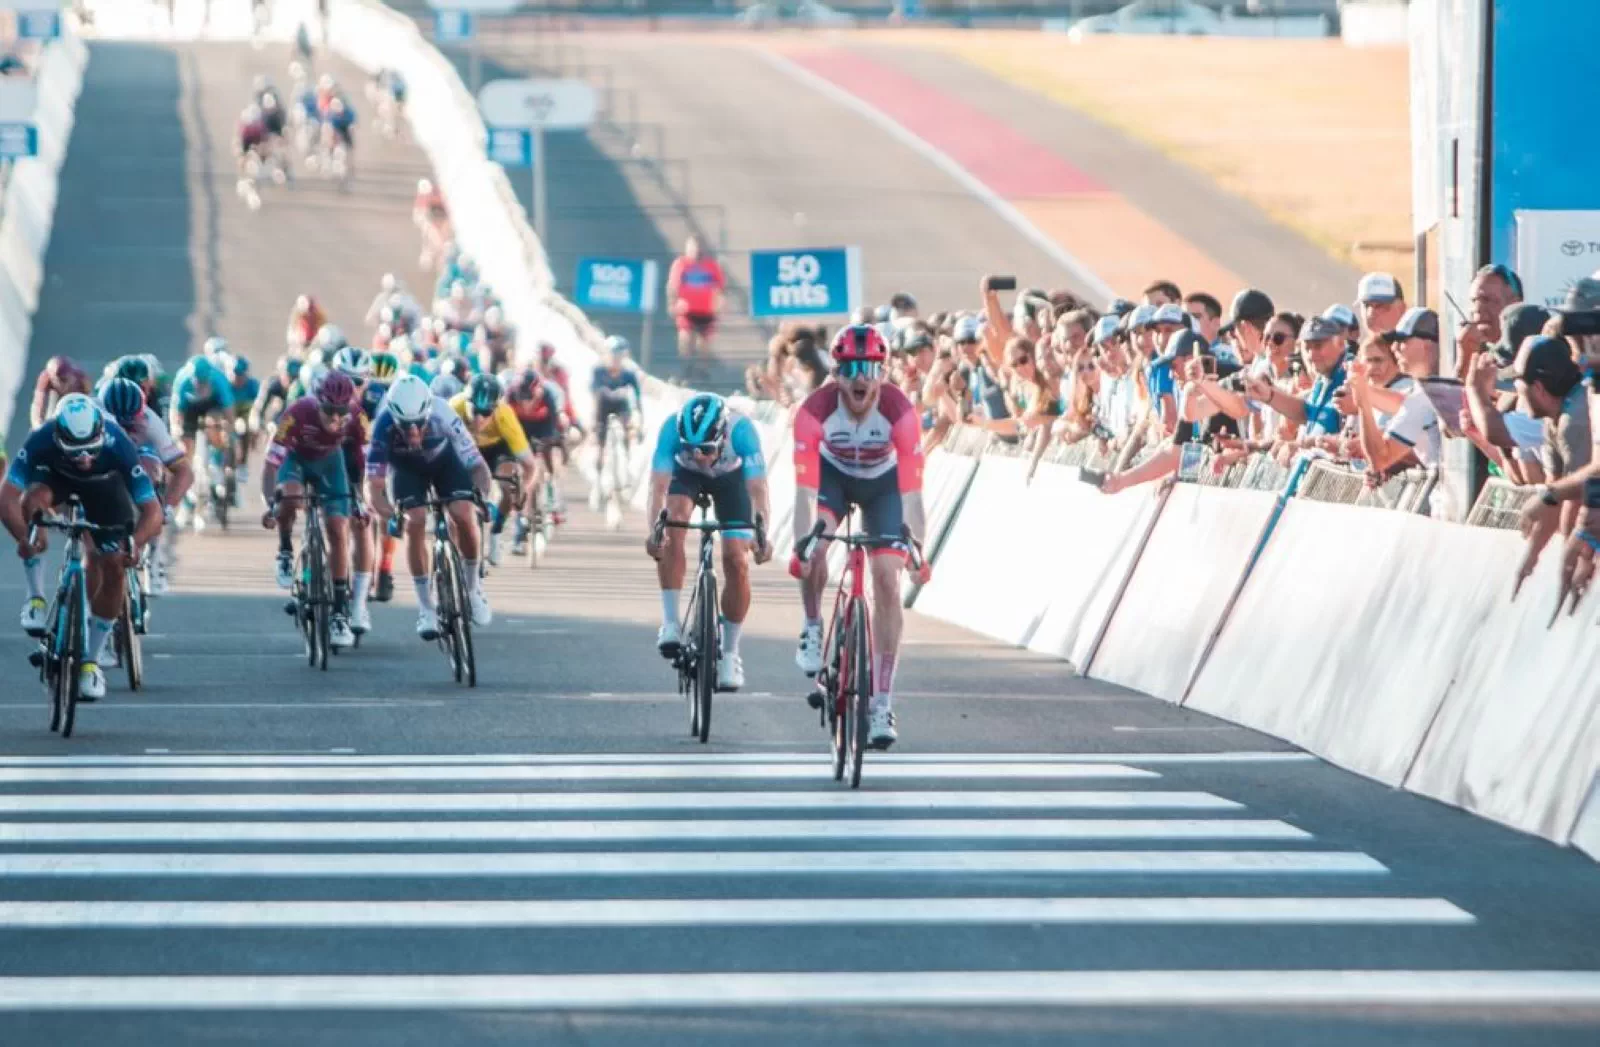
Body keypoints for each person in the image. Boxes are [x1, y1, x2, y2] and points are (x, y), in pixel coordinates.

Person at [790, 324, 930, 749]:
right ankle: (813, 626)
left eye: (870, 368)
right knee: (816, 547)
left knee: (887, 577)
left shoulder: (900, 412)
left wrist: (917, 553)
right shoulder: (812, 411)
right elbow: (804, 494)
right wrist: (803, 549)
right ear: (835, 373)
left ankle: (881, 701)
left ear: (883, 373)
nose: (860, 378)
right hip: (832, 480)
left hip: (883, 487)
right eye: (850, 368)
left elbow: (912, 497)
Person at [1, 395, 163, 700]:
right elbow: (6, 498)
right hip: (56, 481)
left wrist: (135, 543)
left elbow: (152, 511)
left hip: (105, 488)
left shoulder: (118, 444)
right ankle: (35, 598)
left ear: (101, 434)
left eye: (91, 449)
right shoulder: (41, 439)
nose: (85, 459)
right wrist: (25, 537)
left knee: (114, 565)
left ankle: (90, 661)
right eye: (76, 452)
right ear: (58, 437)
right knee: (30, 503)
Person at [644, 392, 771, 693]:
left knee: (736, 560)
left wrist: (762, 534)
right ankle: (671, 622)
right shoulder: (670, 431)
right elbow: (657, 486)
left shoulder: (743, 431)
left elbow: (758, 490)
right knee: (672, 524)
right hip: (684, 476)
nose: (699, 455)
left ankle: (730, 654)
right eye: (691, 448)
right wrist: (653, 532)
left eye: (706, 448)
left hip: (731, 479)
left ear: (723, 435)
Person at [364, 374, 493, 638]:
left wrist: (481, 496)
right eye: (405, 426)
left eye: (418, 424)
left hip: (445, 463)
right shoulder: (383, 423)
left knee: (463, 512)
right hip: (406, 470)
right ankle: (426, 608)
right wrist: (389, 514)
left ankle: (472, 589)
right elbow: (373, 485)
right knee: (415, 521)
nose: (413, 432)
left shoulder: (442, 412)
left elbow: (478, 466)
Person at [260, 371, 365, 649]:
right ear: (317, 403)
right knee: (290, 497)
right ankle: (284, 550)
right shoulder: (296, 414)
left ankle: (340, 612)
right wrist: (271, 503)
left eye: (341, 412)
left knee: (338, 528)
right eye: (329, 411)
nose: (335, 418)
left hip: (331, 464)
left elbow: (360, 461)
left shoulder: (356, 417)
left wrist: (360, 500)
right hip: (295, 460)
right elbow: (271, 464)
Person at [99, 377, 191, 594]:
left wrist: (167, 507)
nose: (124, 428)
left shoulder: (152, 422)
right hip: (103, 460)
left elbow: (184, 471)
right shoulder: (92, 413)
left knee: (151, 467)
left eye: (130, 424)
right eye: (117, 423)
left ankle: (153, 554)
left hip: (139, 461)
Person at [450, 373, 536, 566]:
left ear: (495, 409)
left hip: (497, 448)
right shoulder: (454, 408)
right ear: (466, 402)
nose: (480, 419)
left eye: (486, 413)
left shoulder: (505, 415)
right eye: (475, 411)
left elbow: (530, 465)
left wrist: (522, 490)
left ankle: (496, 532)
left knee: (509, 486)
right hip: (466, 447)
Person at [590, 335, 643, 509]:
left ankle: (626, 461)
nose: (615, 360)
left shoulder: (629, 374)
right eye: (613, 355)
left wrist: (638, 422)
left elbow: (636, 400)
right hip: (603, 406)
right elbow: (595, 396)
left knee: (629, 426)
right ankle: (597, 482)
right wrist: (594, 423)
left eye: (619, 356)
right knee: (600, 443)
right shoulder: (599, 371)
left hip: (621, 407)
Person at [666, 235, 726, 377]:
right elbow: (672, 287)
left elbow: (720, 288)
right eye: (692, 247)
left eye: (698, 247)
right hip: (686, 310)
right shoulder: (681, 264)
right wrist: (671, 303)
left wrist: (720, 305)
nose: (696, 251)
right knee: (685, 338)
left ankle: (702, 372)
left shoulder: (712, 266)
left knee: (704, 345)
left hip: (707, 311)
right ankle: (685, 369)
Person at [30, 355, 91, 428]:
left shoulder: (82, 379)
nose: (62, 384)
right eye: (57, 380)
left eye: (64, 380)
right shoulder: (45, 378)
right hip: (55, 395)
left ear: (72, 375)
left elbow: (88, 400)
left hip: (74, 394)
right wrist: (37, 424)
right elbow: (39, 404)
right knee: (51, 414)